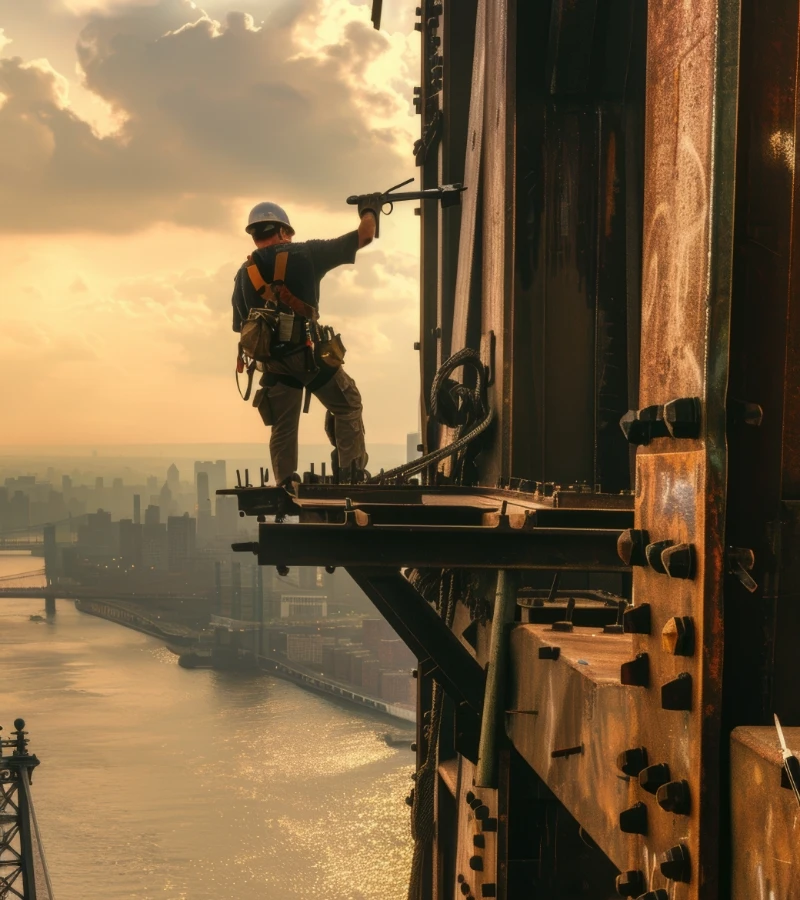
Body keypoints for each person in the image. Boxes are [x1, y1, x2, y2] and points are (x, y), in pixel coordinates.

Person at [231, 198, 380, 488]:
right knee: (348, 404)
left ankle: (285, 481)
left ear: (255, 234)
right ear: (284, 231)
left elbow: (240, 327)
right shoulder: (305, 254)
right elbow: (365, 235)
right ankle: (350, 474)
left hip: (272, 363)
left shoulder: (243, 274)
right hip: (307, 355)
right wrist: (370, 208)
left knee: (284, 425)